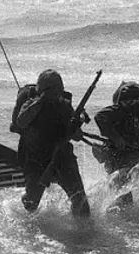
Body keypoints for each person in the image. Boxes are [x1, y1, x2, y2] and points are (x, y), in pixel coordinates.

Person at [13, 69, 90, 217]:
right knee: (31, 205)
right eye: (53, 89)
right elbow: (21, 122)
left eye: (59, 88)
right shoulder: (30, 104)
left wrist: (76, 126)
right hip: (37, 159)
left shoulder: (64, 106)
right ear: (43, 90)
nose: (57, 92)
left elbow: (77, 136)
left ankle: (83, 227)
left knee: (81, 203)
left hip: (62, 157)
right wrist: (41, 102)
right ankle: (25, 198)